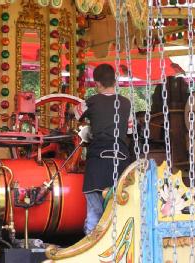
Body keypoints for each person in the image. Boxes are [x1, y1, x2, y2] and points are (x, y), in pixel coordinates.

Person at [74, 63, 132, 235]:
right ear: (114, 81)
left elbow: (74, 113)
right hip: (121, 162)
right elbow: (129, 131)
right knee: (118, 212)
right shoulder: (126, 103)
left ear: (97, 83)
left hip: (97, 162)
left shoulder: (91, 102)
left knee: (95, 213)